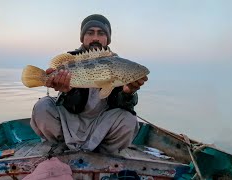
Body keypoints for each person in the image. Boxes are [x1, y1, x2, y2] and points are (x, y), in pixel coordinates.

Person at [30, 14, 148, 154]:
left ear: (108, 39)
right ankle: (61, 145)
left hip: (102, 122)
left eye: (101, 33)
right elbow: (73, 107)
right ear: (82, 37)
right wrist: (68, 91)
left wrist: (128, 93)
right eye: (90, 33)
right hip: (71, 119)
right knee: (42, 107)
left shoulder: (118, 64)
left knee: (129, 120)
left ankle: (104, 153)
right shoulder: (71, 60)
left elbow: (123, 106)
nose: (95, 38)